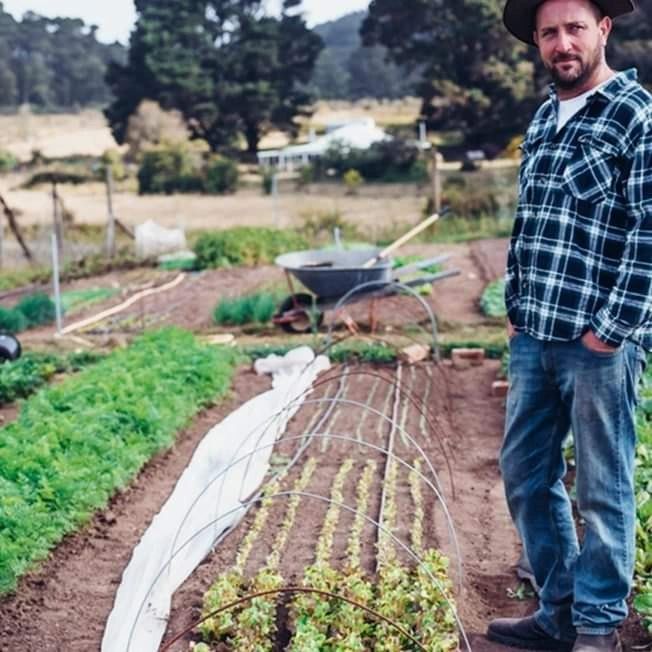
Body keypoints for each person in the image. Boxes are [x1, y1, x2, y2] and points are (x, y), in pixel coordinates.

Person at [488, 1, 652, 651]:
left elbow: (649, 236)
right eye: (550, 32)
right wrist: (515, 308)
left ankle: (598, 625)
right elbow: (531, 225)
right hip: (534, 334)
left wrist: (610, 329)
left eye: (575, 28)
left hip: (597, 344)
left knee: (603, 485)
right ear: (536, 40)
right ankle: (557, 610)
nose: (563, 43)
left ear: (603, 30)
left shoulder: (635, 115)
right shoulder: (545, 116)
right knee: (526, 472)